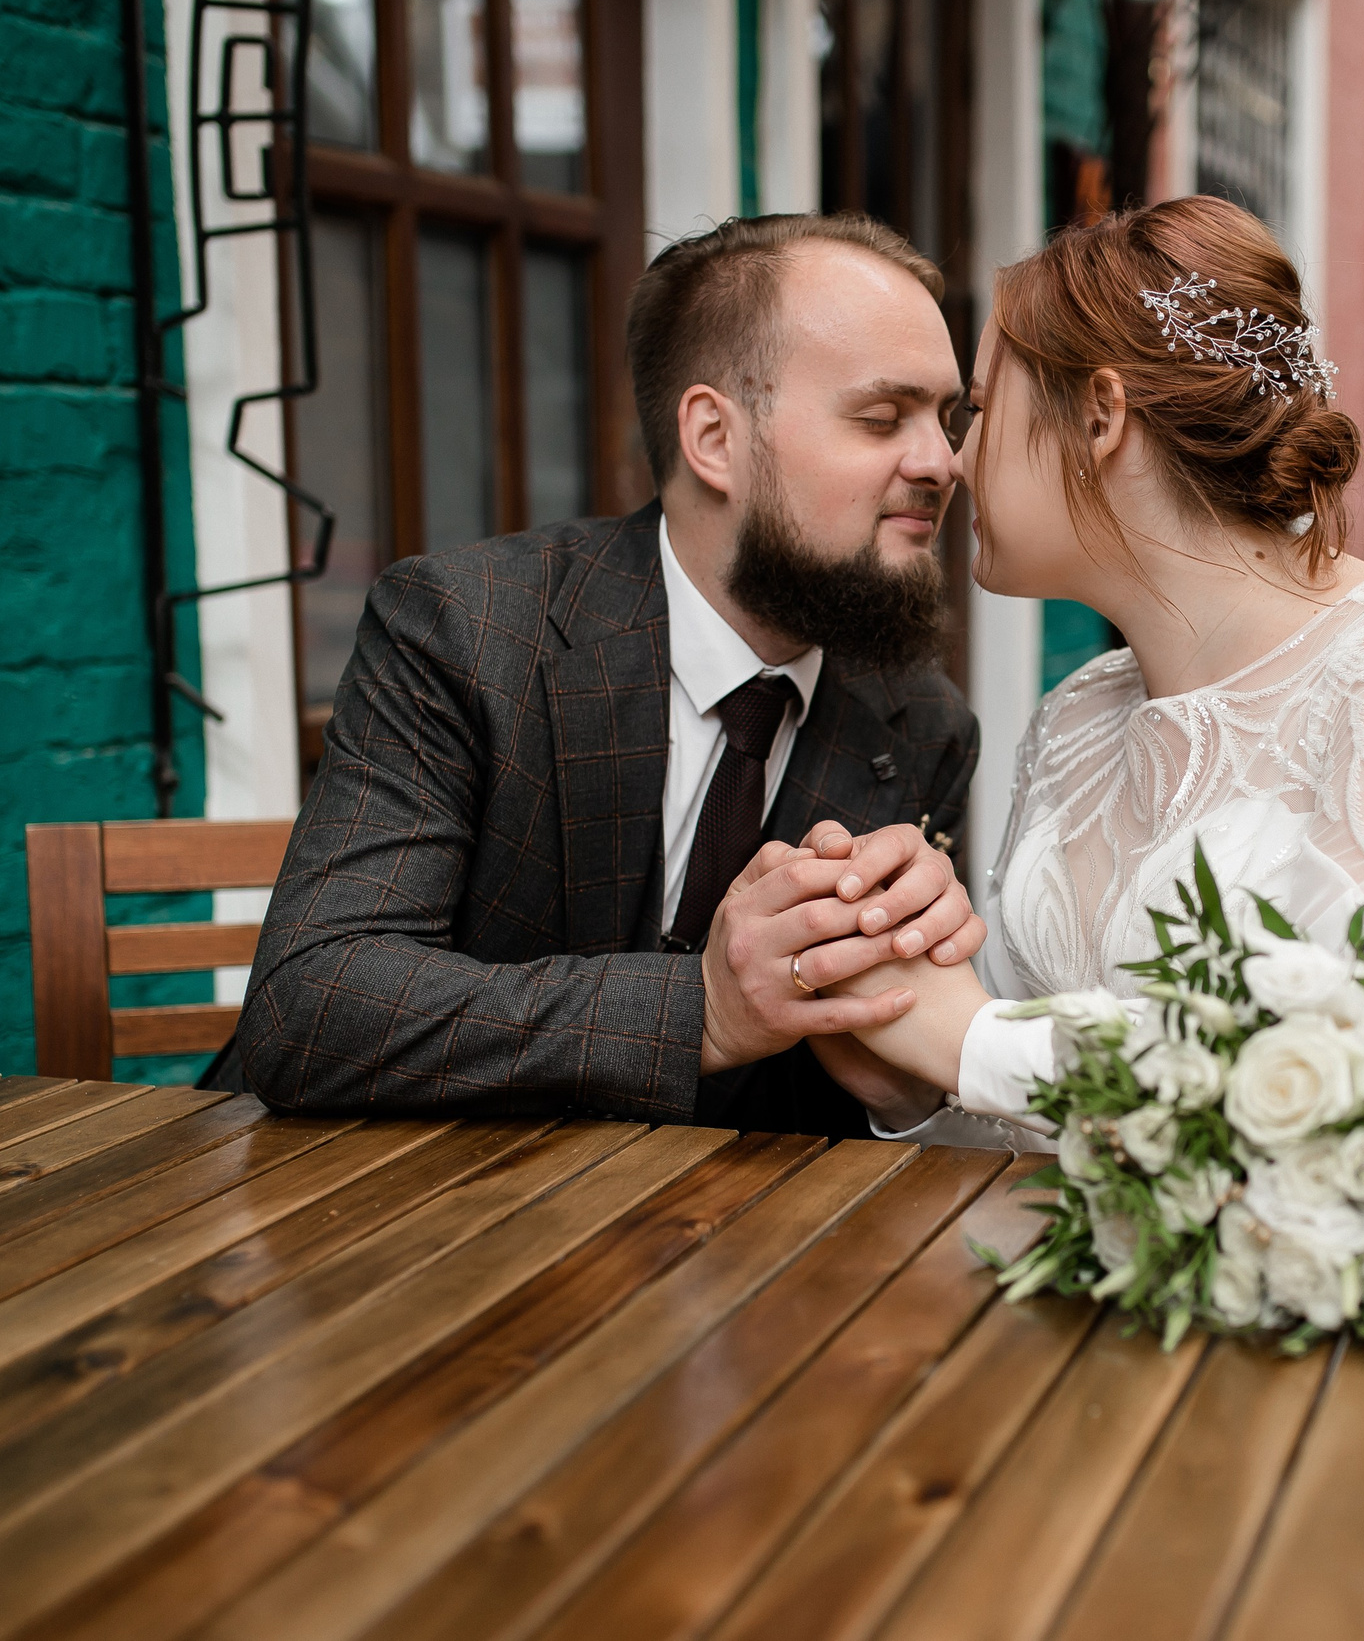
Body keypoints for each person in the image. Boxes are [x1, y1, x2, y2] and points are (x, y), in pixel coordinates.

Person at [801, 195, 1364, 1215]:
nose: (953, 462)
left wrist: (969, 1036)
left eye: (976, 411)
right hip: (1163, 1267)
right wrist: (906, 1070)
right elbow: (1069, 1115)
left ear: (1102, 417)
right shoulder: (1075, 717)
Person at [202, 213, 988, 1137]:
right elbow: (313, 1005)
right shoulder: (466, 629)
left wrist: (898, 1087)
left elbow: (830, 1110)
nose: (943, 461)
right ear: (714, 438)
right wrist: (696, 1010)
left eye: (947, 417)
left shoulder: (925, 724)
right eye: (881, 417)